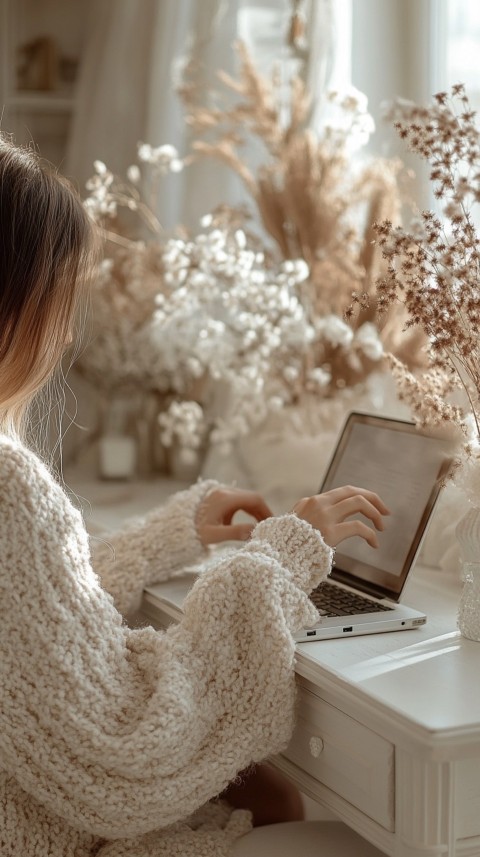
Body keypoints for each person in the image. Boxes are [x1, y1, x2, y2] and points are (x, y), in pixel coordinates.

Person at [0, 135, 389, 857]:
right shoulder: (8, 487)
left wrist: (170, 534)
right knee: (356, 836)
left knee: (268, 793)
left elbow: (32, 625)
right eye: (59, 300)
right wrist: (281, 553)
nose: (63, 334)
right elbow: (127, 758)